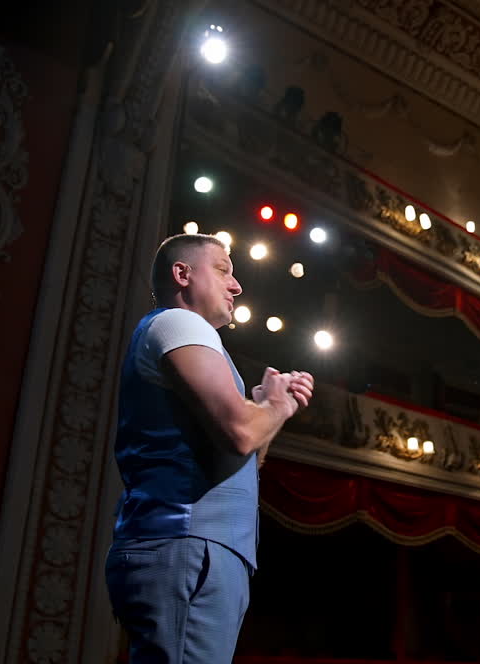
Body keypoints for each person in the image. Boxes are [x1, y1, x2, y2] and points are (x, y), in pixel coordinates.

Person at [105, 232, 313, 663]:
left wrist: (269, 412)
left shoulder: (193, 336)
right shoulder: (178, 322)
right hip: (184, 541)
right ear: (182, 274)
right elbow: (239, 432)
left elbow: (243, 452)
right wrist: (271, 405)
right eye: (223, 270)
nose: (236, 285)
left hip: (200, 548)